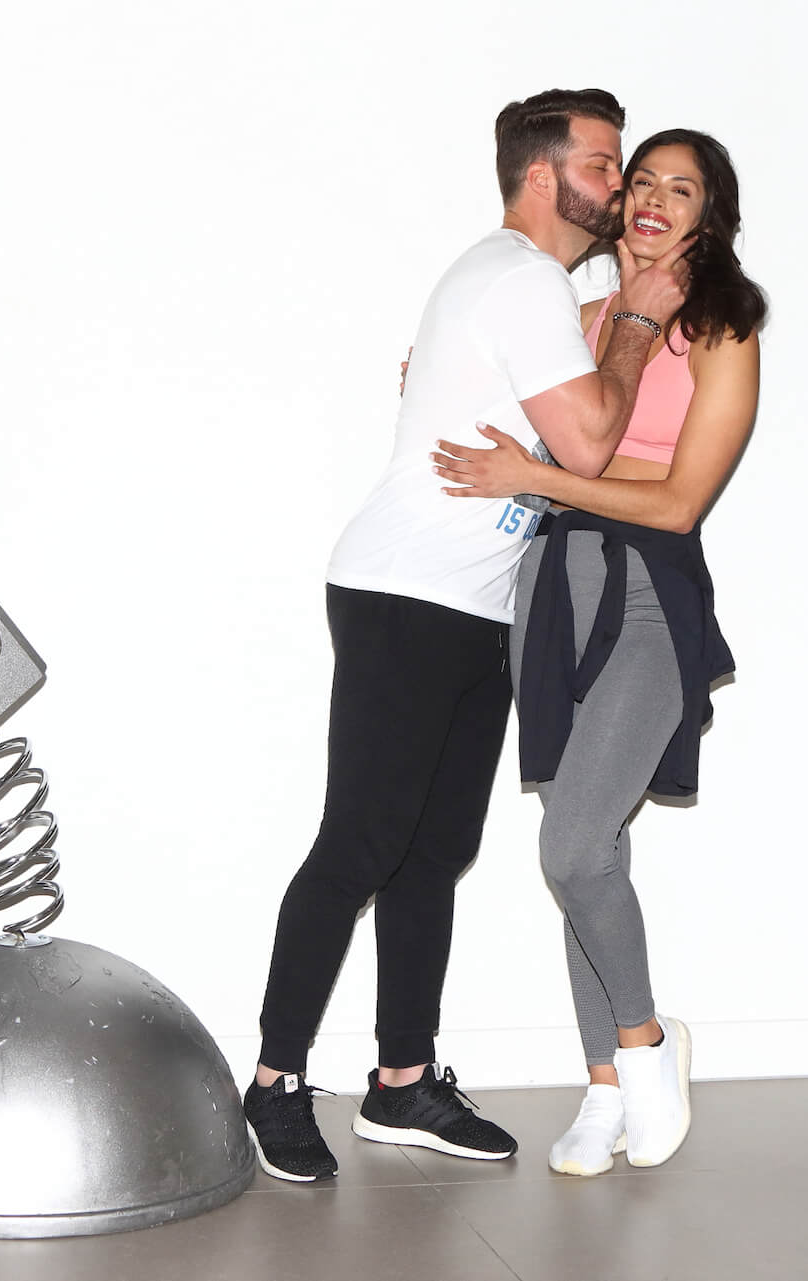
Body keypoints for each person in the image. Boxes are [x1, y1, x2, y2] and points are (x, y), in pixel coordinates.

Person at [242, 88, 690, 1183]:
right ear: (543, 175)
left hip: (477, 606)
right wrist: (637, 322)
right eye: (603, 165)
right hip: (405, 592)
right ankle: (273, 1082)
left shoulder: (528, 290)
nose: (619, 185)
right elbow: (588, 447)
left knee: (432, 855)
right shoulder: (522, 279)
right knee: (361, 843)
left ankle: (402, 1081)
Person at [431, 129, 766, 1175]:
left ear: (707, 217)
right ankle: (605, 1088)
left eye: (682, 188)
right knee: (592, 847)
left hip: (652, 594)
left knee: (572, 847)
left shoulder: (722, 331)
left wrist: (541, 478)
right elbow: (515, 439)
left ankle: (647, 1044)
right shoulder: (580, 324)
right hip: (551, 596)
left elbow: (678, 501)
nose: (655, 198)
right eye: (643, 181)